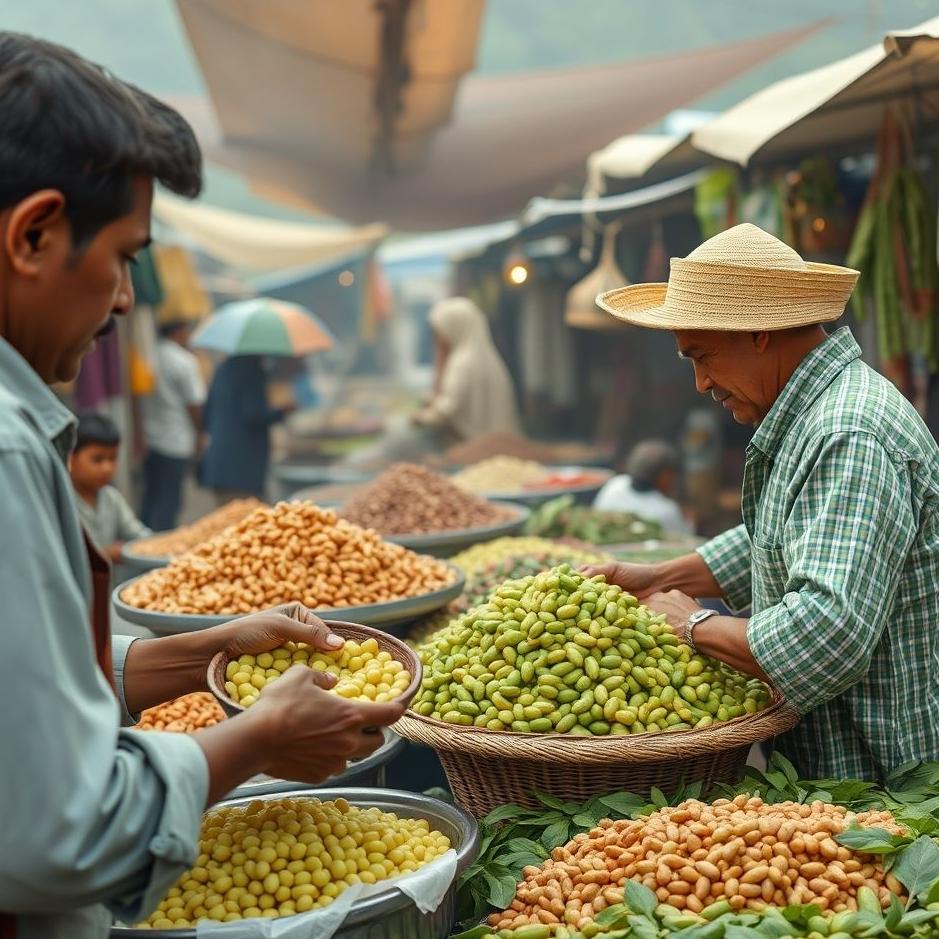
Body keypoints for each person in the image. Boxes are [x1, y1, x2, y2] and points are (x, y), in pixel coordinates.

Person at [0, 33, 402, 939]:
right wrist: (253, 737)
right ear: (34, 235)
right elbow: (61, 832)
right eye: (124, 256)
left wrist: (200, 655)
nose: (125, 301)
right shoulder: (8, 447)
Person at [586, 222, 939, 782]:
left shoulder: (848, 433)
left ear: (758, 333)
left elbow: (826, 635)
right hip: (832, 766)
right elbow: (781, 539)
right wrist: (659, 576)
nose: (701, 383)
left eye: (702, 356)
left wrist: (693, 624)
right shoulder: (812, 416)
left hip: (880, 781)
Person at [413, 296, 521, 441]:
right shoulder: (487, 358)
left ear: (454, 327)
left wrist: (419, 418)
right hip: (501, 441)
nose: (438, 339)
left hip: (480, 444)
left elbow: (447, 410)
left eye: (439, 333)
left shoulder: (463, 362)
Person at [139, 319, 205, 530]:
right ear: (179, 331)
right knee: (170, 500)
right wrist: (200, 434)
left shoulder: (149, 355)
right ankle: (162, 542)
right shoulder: (184, 361)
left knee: (150, 497)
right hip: (176, 440)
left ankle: (142, 539)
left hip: (151, 438)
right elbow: (194, 403)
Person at [200, 355, 293, 501]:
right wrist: (282, 412)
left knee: (227, 509)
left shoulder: (223, 368)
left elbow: (207, 414)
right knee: (243, 511)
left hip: (219, 461)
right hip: (242, 466)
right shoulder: (251, 371)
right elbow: (254, 415)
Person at [69, 411, 150, 562]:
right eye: (97, 460)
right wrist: (105, 554)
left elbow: (138, 534)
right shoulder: (63, 501)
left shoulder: (111, 497)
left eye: (113, 458)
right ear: (71, 460)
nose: (107, 468)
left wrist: (169, 542)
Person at [593, 439, 692, 534]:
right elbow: (685, 537)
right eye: (671, 474)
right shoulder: (665, 510)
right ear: (663, 475)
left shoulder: (615, 484)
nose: (673, 479)